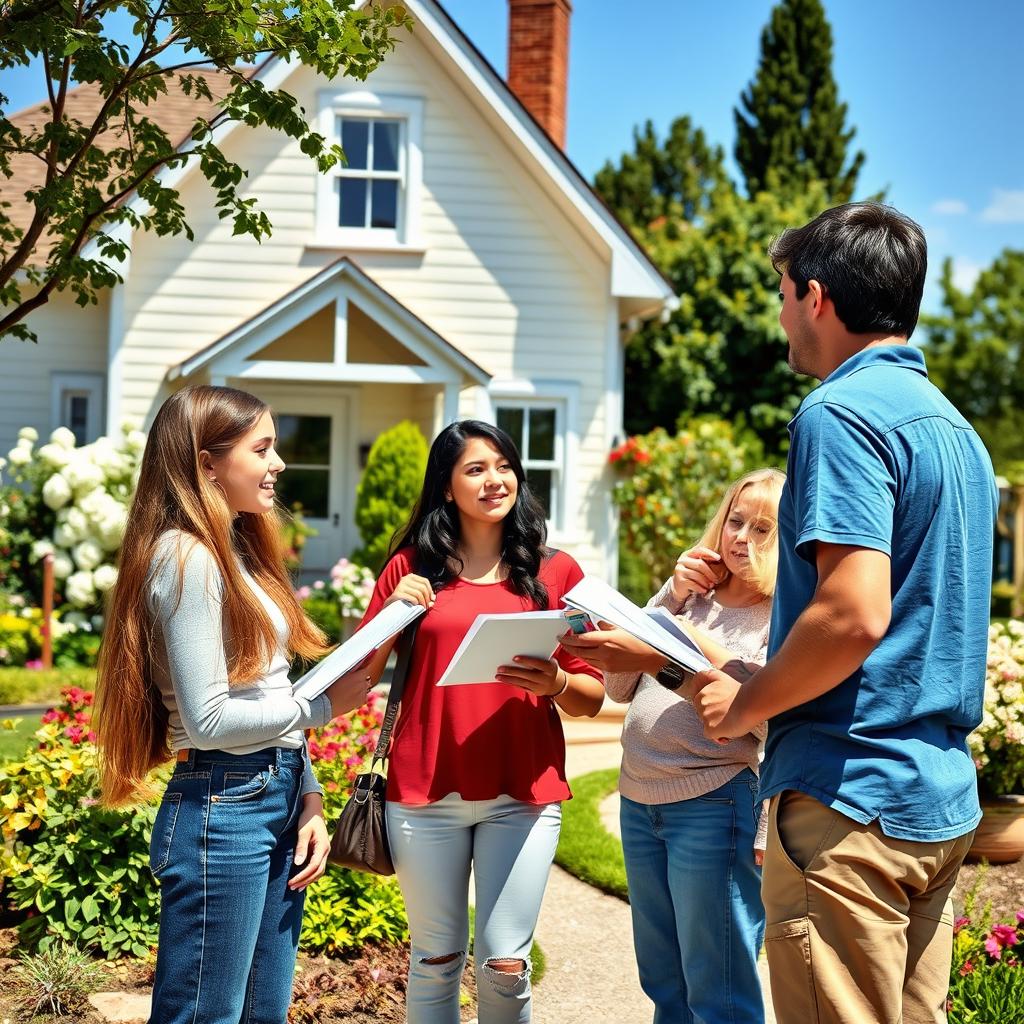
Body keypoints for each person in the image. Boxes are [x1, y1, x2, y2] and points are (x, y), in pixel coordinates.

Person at [686, 203, 999, 1024]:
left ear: (817, 298)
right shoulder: (959, 432)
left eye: (784, 293)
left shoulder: (839, 412)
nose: (782, 313)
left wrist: (745, 702)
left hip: (850, 805)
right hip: (935, 802)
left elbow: (854, 613)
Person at [94, 385, 372, 1024]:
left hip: (270, 798)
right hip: (224, 810)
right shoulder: (185, 557)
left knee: (262, 1012)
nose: (278, 463)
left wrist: (309, 795)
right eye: (264, 448)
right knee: (205, 1015)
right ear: (206, 463)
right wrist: (324, 709)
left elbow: (267, 687)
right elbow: (209, 720)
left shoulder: (237, 549)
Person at [355, 419, 604, 1024]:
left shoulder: (555, 574)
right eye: (475, 469)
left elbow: (593, 695)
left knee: (505, 965)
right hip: (423, 791)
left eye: (503, 466)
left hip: (522, 791)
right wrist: (390, 613)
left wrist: (559, 682)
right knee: (435, 960)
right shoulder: (409, 570)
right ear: (446, 487)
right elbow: (358, 676)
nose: (495, 480)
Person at [561, 468, 785, 1024]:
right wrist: (673, 594)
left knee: (718, 985)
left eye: (762, 529)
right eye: (735, 521)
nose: (740, 538)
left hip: (712, 803)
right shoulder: (693, 597)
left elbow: (765, 726)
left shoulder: (777, 619)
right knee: (663, 977)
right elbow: (616, 685)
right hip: (640, 801)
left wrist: (688, 645)